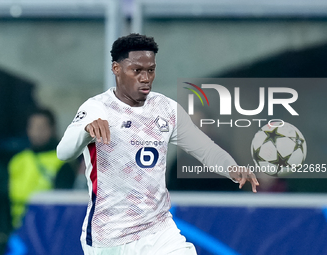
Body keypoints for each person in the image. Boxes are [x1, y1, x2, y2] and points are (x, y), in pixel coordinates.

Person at [57, 33, 259, 255]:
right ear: (116, 69)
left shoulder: (167, 109)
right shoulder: (97, 108)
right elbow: (63, 152)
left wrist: (231, 168)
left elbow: (205, 149)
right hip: (108, 236)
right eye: (137, 71)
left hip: (158, 231)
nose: (145, 78)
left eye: (150, 70)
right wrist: (85, 131)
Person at [8, 108, 76, 229]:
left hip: (46, 231)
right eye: (33, 127)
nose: (37, 132)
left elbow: (65, 206)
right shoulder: (17, 161)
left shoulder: (62, 161)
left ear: (52, 129)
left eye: (42, 127)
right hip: (17, 229)